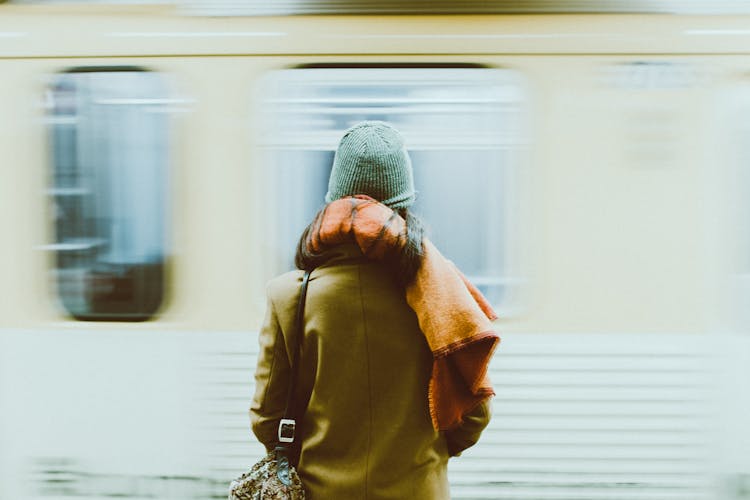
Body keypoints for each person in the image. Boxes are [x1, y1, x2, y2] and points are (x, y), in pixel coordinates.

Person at [250, 121, 499, 499]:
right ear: (404, 204)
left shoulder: (289, 297)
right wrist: (424, 456)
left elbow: (268, 418)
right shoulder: (439, 294)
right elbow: (473, 414)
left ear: (335, 202)